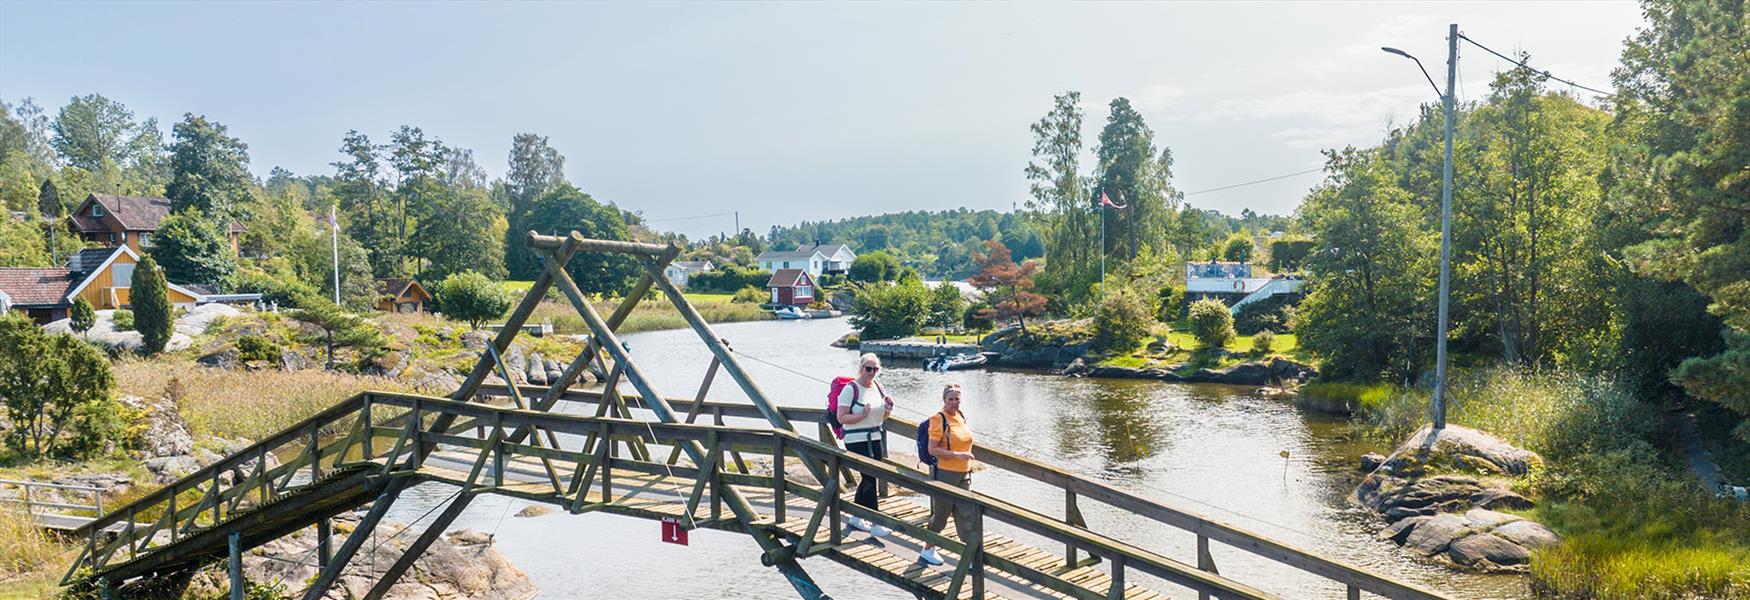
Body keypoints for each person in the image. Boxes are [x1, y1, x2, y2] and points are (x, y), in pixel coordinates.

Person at [837, 353, 894, 536]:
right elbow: (841, 417)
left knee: (870, 476)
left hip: (875, 437)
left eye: (875, 369)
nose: (871, 372)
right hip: (856, 439)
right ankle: (875, 522)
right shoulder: (850, 389)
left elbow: (881, 418)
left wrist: (888, 410)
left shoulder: (879, 386)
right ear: (861, 368)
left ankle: (855, 515)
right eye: (868, 368)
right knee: (870, 477)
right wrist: (862, 415)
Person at [919, 383, 975, 566]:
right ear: (944, 400)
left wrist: (966, 459)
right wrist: (958, 455)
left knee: (966, 515)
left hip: (963, 473)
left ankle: (969, 557)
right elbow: (932, 449)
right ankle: (928, 549)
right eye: (950, 399)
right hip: (945, 473)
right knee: (941, 515)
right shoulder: (938, 419)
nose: (954, 402)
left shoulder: (960, 416)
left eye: (957, 399)